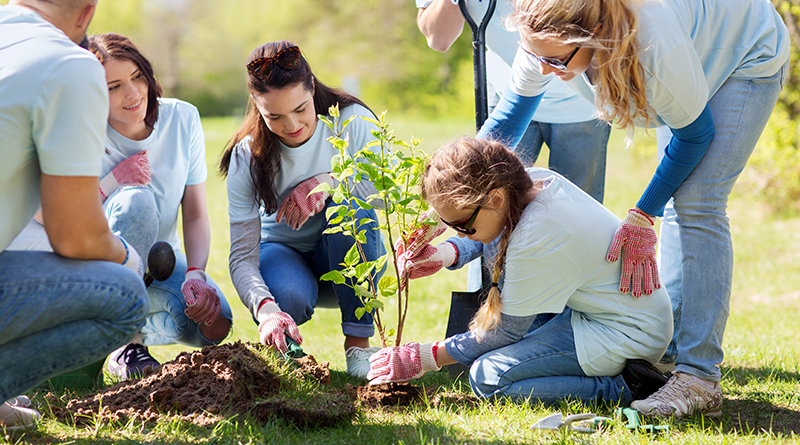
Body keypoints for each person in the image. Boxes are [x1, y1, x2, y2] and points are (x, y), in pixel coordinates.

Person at [474, 0, 789, 418]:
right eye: (534, 55)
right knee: (682, 197)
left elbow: (695, 136)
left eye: (554, 60)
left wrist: (643, 214)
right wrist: (451, 191)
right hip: (688, 58)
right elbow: (509, 119)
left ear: (596, 33)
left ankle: (697, 376)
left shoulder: (653, 47)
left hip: (742, 54)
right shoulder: (543, 39)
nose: (543, 68)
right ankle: (665, 357)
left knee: (696, 203)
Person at [368, 138, 673, 408]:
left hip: (627, 333)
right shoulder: (532, 183)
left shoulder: (536, 236)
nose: (460, 233)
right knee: (497, 357)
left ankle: (625, 386)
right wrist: (445, 254)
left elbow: (505, 332)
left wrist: (424, 356)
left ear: (495, 198)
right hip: (615, 315)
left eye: (462, 225)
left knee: (488, 377)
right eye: (452, 227)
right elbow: (494, 230)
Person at [10, 32, 235, 379]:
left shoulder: (182, 118)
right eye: (113, 86)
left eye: (137, 77)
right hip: (97, 269)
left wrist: (196, 274)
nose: (132, 93)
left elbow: (195, 213)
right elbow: (43, 212)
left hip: (156, 268)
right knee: (137, 201)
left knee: (216, 324)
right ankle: (125, 342)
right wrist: (114, 181)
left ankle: (118, 338)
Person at [0, 0, 149, 430]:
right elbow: (75, 235)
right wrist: (129, 258)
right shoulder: (69, 64)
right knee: (125, 295)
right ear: (86, 13)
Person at [220, 40, 386, 379]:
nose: (292, 126)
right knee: (287, 297)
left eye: (300, 109)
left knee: (351, 209)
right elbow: (242, 257)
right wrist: (266, 309)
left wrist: (328, 182)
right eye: (275, 116)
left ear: (311, 87)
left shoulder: (351, 121)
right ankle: (287, 351)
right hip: (284, 257)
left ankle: (358, 348)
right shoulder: (247, 155)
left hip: (349, 257)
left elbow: (385, 193)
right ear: (256, 104)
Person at [416, 0, 610, 202]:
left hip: (583, 104)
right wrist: (446, 203)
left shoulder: (641, 62)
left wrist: (642, 214)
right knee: (496, 201)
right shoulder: (533, 62)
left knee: (577, 207)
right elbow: (438, 39)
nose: (545, 68)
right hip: (512, 90)